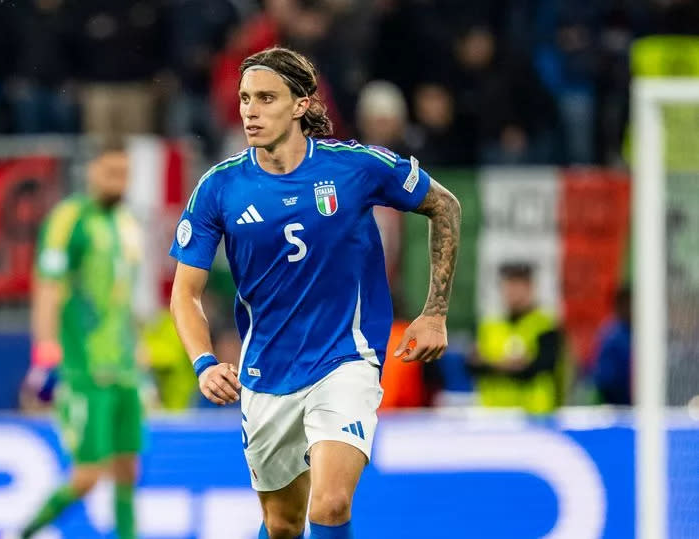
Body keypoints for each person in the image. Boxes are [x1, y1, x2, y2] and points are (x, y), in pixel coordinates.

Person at [168, 47, 461, 539]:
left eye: (265, 98)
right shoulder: (220, 188)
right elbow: (185, 294)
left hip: (345, 359)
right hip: (264, 373)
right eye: (244, 99)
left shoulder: (355, 168)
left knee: (329, 503)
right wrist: (203, 361)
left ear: (302, 105)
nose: (250, 111)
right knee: (281, 525)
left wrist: (434, 312)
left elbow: (444, 206)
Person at [12, 142, 144, 539]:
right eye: (109, 173)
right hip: (84, 368)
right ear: (91, 172)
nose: (116, 181)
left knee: (127, 469)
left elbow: (122, 296)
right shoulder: (71, 219)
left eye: (123, 174)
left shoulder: (126, 224)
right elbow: (48, 287)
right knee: (88, 475)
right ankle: (19, 534)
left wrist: (137, 348)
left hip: (123, 368)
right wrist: (45, 353)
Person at [468, 262, 566, 414]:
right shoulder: (489, 326)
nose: (512, 292)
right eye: (508, 286)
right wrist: (511, 365)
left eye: (518, 286)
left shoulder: (545, 326)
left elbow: (542, 366)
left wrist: (492, 363)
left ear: (530, 288)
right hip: (493, 416)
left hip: (534, 416)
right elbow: (473, 366)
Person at [592, 285, 632, 405]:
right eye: (627, 305)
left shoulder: (644, 334)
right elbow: (605, 380)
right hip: (620, 408)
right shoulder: (612, 337)